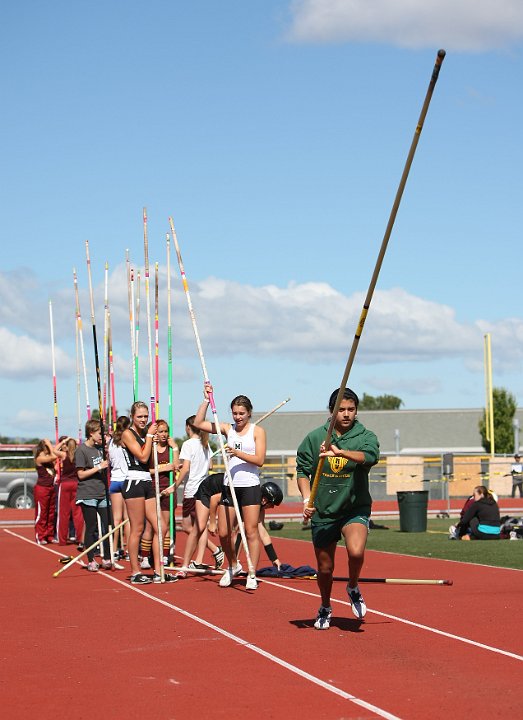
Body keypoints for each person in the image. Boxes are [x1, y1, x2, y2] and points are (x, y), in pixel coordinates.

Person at [297, 387, 379, 630]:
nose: (346, 414)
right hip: (323, 510)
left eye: (351, 409)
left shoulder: (365, 435)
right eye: (341, 409)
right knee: (325, 568)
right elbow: (302, 470)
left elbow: (370, 457)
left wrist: (342, 452)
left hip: (354, 508)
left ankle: (352, 585)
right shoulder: (314, 438)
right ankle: (325, 606)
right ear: (331, 411)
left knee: (355, 552)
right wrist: (305, 500)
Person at [193, 383, 266, 590]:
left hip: (250, 486)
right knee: (224, 533)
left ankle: (252, 572)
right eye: (234, 413)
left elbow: (259, 459)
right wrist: (207, 399)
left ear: (249, 413)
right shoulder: (227, 429)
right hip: (229, 486)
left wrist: (236, 452)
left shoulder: (257, 431)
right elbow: (199, 423)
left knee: (250, 531)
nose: (238, 417)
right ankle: (233, 565)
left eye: (242, 413)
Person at [121, 401, 177, 584]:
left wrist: (167, 447)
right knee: (137, 528)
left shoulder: (147, 434)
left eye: (146, 416)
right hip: (134, 481)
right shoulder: (128, 434)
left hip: (147, 481)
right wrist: (151, 436)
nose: (143, 419)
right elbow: (143, 456)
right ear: (132, 417)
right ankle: (136, 571)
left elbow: (151, 462)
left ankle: (159, 570)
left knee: (160, 526)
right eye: (140, 416)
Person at [165, 415, 223, 572]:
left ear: (188, 427)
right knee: (198, 526)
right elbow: (210, 464)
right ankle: (207, 555)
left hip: (192, 489)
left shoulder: (188, 444)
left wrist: (174, 486)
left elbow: (186, 469)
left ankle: (208, 554)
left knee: (190, 526)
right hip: (205, 488)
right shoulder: (204, 444)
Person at [74, 419, 113, 572]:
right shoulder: (81, 450)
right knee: (91, 527)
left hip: (102, 492)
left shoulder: (101, 449)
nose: (101, 436)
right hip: (88, 493)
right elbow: (80, 475)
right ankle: (91, 560)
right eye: (99, 433)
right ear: (91, 433)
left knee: (108, 525)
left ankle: (108, 557)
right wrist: (98, 467)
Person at [149, 419, 179, 566]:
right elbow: (147, 471)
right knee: (152, 525)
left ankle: (165, 555)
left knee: (165, 525)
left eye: (166, 431)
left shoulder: (170, 448)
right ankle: (146, 555)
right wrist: (163, 468)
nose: (164, 434)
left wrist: (175, 448)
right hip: (153, 489)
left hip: (168, 489)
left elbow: (176, 467)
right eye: (160, 431)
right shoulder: (151, 449)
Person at [34, 437, 67, 545]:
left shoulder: (48, 456)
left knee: (51, 513)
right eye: (46, 451)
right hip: (42, 489)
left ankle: (49, 535)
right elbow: (54, 455)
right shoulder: (39, 458)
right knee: (42, 513)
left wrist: (61, 442)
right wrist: (49, 444)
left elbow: (54, 452)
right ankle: (41, 535)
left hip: (51, 488)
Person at [108, 416, 131, 560]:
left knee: (116, 519)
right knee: (128, 519)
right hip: (126, 479)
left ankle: (114, 549)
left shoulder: (111, 442)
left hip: (114, 480)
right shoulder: (126, 440)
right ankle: (128, 550)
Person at [56, 436, 84, 546]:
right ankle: (79, 538)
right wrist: (77, 442)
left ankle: (62, 540)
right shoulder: (79, 455)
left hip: (65, 485)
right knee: (78, 514)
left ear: (67, 446)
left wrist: (63, 441)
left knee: (64, 513)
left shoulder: (64, 455)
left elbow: (54, 450)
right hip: (76, 484)